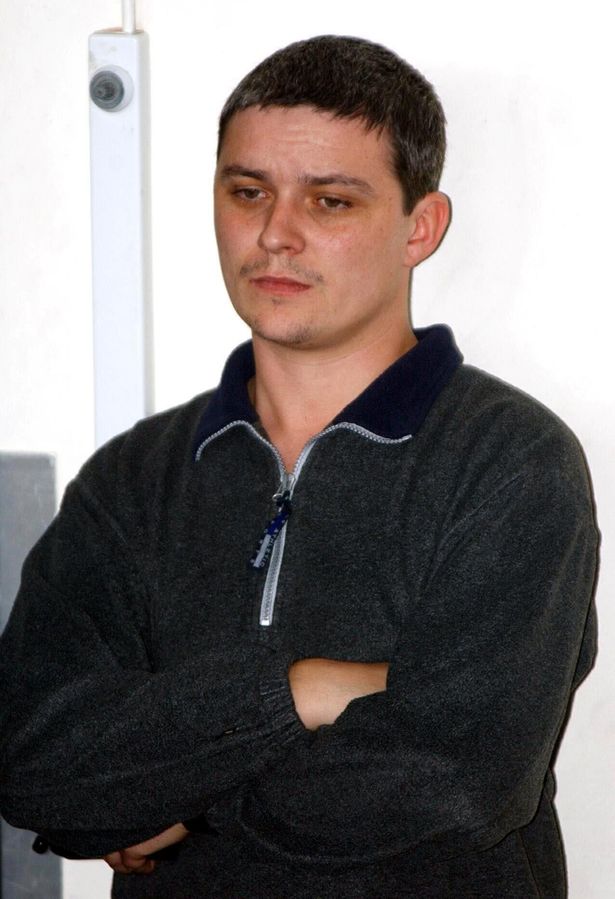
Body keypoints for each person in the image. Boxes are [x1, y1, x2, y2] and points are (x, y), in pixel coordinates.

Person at [0, 35, 598, 898]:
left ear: (419, 228)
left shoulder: (510, 463)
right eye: (247, 192)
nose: (276, 234)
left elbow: (456, 775)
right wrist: (300, 692)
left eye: (330, 201)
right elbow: (31, 757)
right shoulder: (133, 481)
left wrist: (184, 801)